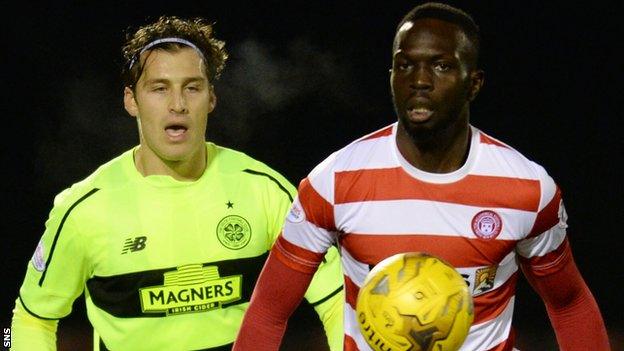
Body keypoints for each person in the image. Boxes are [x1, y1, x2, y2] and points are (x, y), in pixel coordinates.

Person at [234, 2, 611, 350]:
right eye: (405, 65)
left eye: (441, 66)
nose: (420, 80)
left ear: (474, 83)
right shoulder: (335, 181)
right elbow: (269, 310)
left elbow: (570, 303)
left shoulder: (527, 188)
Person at [10, 15, 344, 351]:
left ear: (210, 98)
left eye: (192, 87)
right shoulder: (84, 209)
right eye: (159, 88)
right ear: (131, 100)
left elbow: (337, 298)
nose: (178, 104)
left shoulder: (266, 191)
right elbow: (30, 318)